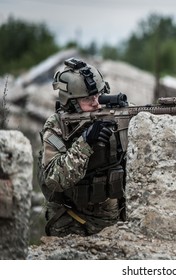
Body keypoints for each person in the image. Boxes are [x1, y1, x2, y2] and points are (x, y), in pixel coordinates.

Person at [38, 58, 126, 237]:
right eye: (88, 99)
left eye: (99, 94)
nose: (96, 103)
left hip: (113, 216)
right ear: (71, 102)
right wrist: (85, 143)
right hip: (71, 219)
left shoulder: (115, 114)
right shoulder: (56, 127)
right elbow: (54, 180)